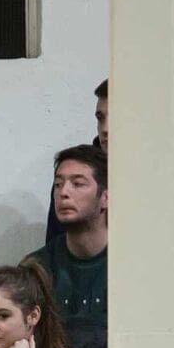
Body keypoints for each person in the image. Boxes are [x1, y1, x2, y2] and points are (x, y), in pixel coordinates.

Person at [25, 145, 108, 348]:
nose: (63, 192)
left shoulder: (131, 264)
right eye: (58, 184)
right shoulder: (35, 268)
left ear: (105, 197)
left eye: (78, 184)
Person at [45, 80, 107, 244]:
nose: (105, 129)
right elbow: (57, 247)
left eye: (116, 118)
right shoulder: (74, 173)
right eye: (100, 119)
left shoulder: (156, 172)